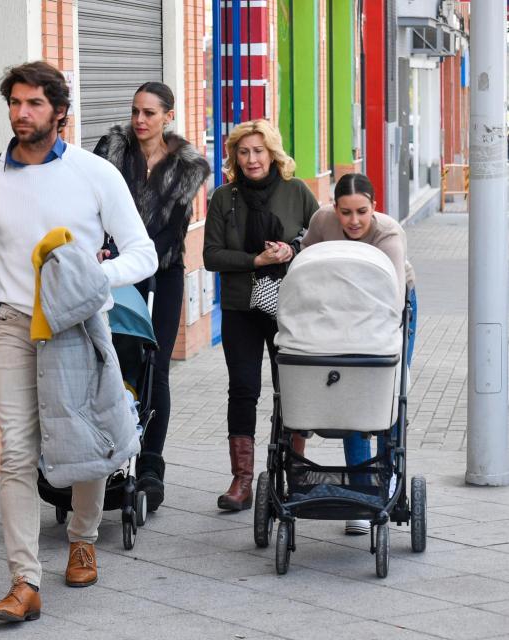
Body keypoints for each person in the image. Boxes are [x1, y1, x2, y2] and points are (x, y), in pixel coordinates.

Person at [0, 61, 157, 623]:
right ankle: (24, 581)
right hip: (13, 325)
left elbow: (143, 253)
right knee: (16, 452)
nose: (20, 113)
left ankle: (83, 538)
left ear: (60, 112)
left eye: (33, 103)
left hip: (78, 327)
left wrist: (90, 277)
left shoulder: (94, 173)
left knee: (79, 439)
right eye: (14, 103)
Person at [92, 82, 210, 511]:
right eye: (135, 111)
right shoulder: (111, 150)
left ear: (168, 116)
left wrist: (134, 257)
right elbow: (93, 206)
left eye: (149, 113)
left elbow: (172, 230)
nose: (139, 120)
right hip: (118, 269)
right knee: (117, 357)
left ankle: (151, 466)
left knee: (156, 363)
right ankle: (109, 455)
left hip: (163, 266)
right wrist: (104, 248)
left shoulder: (188, 166)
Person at [203, 119, 318, 512]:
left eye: (259, 150)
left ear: (272, 153)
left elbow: (320, 238)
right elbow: (211, 256)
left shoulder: (296, 191)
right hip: (240, 307)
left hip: (289, 305)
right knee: (244, 389)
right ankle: (243, 479)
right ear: (235, 156)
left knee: (293, 385)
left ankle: (296, 469)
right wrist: (256, 259)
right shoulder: (224, 197)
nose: (251, 159)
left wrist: (291, 250)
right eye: (243, 151)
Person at [301, 172, 416, 535]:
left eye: (361, 212)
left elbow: (393, 300)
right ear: (334, 208)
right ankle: (361, 491)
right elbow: (304, 272)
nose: (353, 221)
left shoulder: (388, 235)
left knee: (383, 390)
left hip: (389, 309)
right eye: (346, 212)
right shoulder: (322, 221)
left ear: (374, 208)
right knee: (351, 395)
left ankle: (388, 478)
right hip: (338, 310)